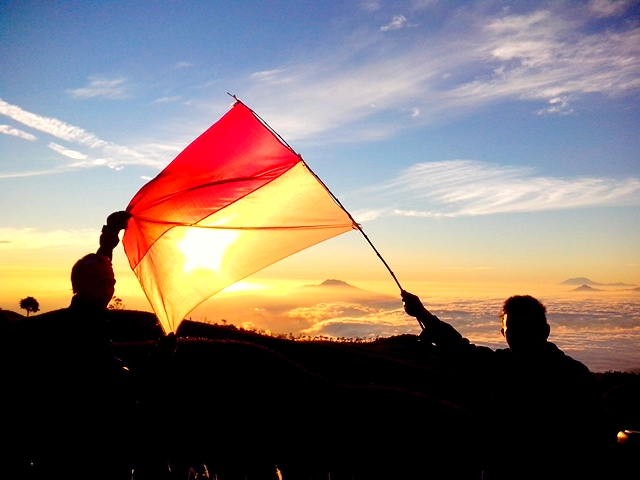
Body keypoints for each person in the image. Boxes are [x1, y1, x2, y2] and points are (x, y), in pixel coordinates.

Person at [401, 290, 610, 480]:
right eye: (512, 330)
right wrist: (422, 313)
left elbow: (593, 439)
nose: (518, 337)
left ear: (544, 331)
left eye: (525, 329)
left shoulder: (572, 375)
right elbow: (461, 350)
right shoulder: (503, 364)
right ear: (503, 334)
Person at [2, 211, 138, 479]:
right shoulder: (83, 330)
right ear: (87, 287)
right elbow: (113, 382)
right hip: (86, 451)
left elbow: (97, 270)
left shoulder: (84, 315)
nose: (110, 289)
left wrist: (109, 239)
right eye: (105, 283)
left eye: (112, 282)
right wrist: (158, 360)